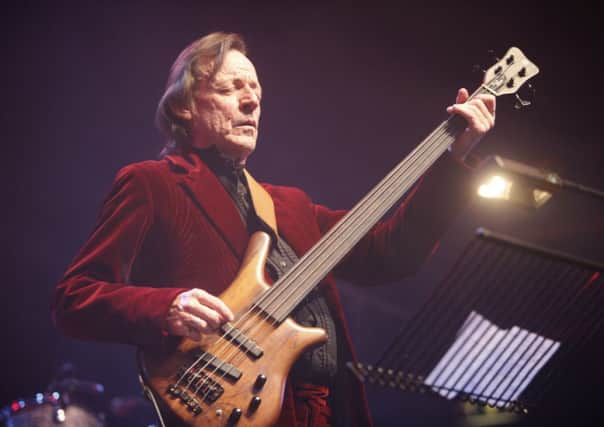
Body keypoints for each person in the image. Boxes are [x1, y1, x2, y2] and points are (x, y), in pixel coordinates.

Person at [51, 32, 495, 426]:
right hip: (229, 407)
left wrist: (454, 159)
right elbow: (74, 297)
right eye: (230, 87)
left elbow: (391, 253)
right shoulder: (153, 183)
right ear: (184, 106)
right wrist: (167, 306)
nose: (251, 101)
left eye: (256, 90)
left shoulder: (291, 205)